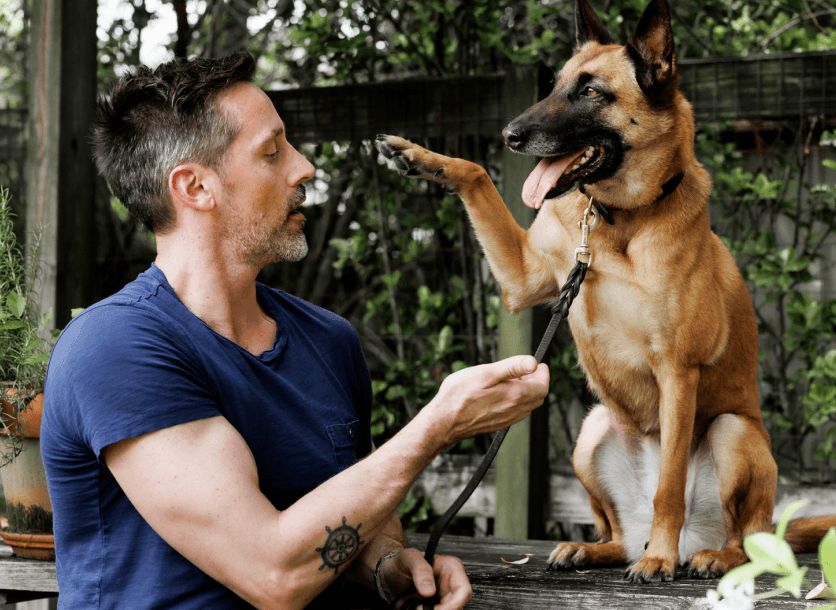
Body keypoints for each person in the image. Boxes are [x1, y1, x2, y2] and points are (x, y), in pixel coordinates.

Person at [40, 50, 549, 610]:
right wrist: (436, 427)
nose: (303, 166)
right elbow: (273, 574)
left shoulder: (328, 340)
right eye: (272, 151)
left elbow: (361, 521)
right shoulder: (113, 347)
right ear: (195, 188)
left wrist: (387, 565)